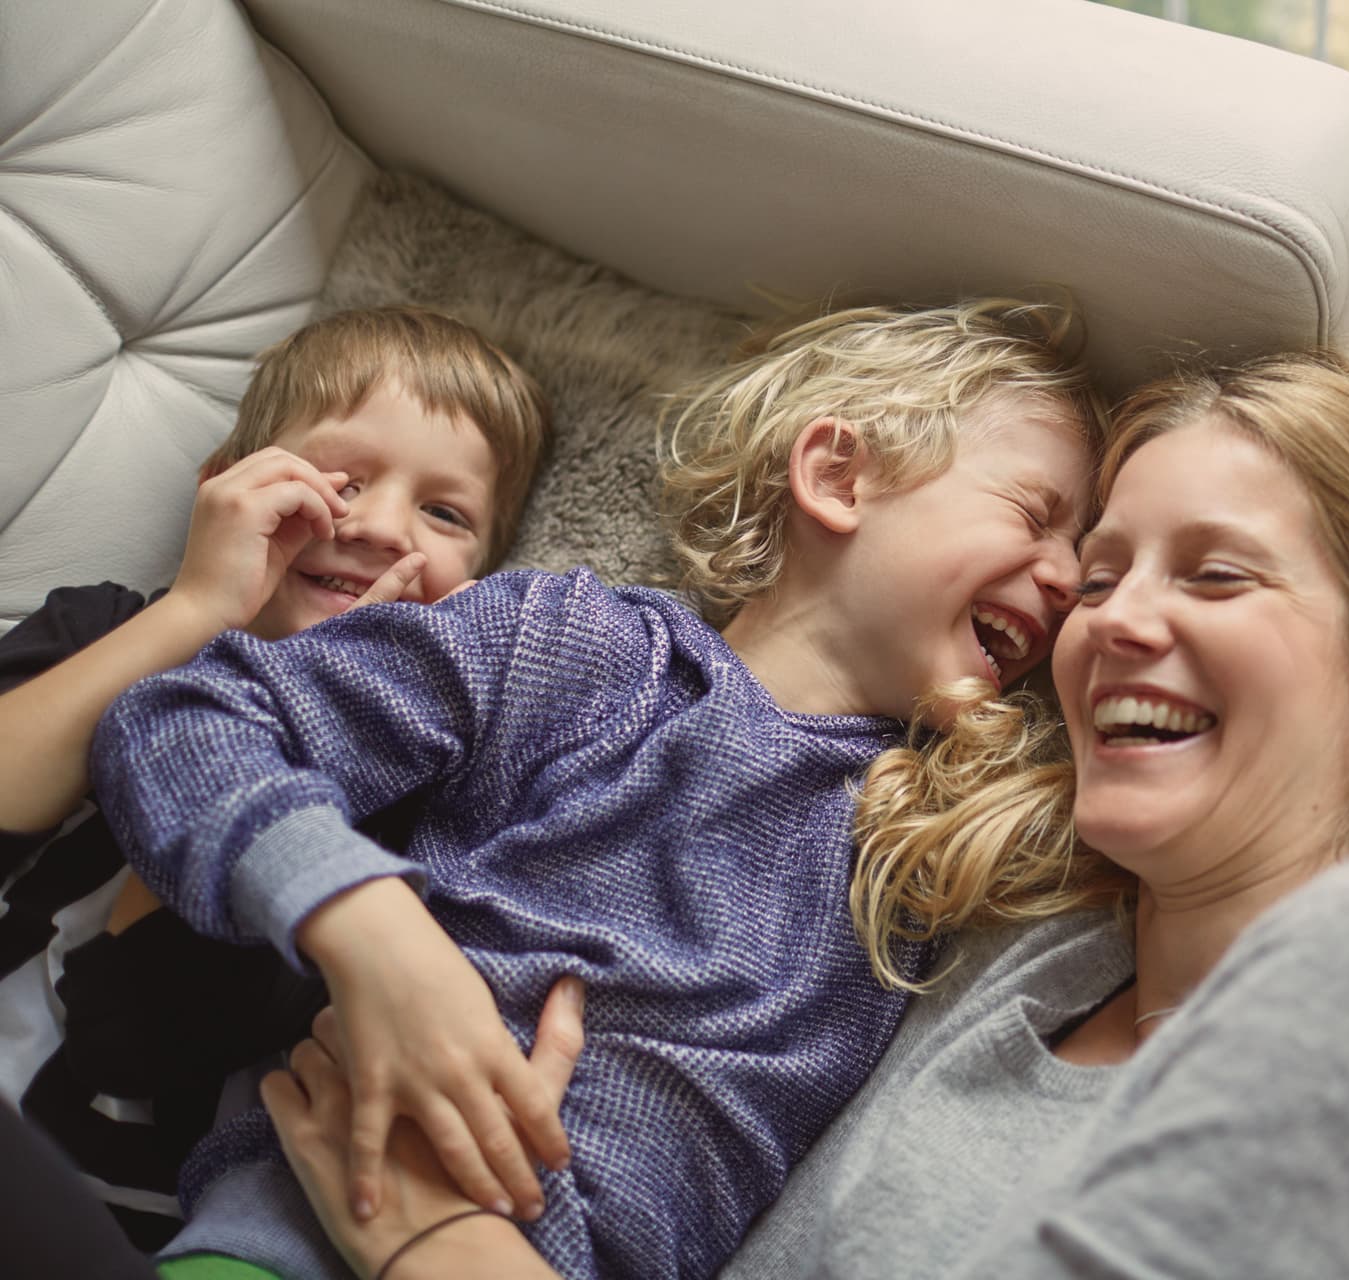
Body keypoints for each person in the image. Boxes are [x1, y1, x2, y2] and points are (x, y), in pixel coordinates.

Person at [265, 350, 1349, 1279]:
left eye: (1218, 576)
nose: (1110, 620)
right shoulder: (983, 961)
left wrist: (449, 1249)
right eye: (1097, 578)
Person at [87, 300, 1109, 1280]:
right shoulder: (576, 645)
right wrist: (368, 929)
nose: (1067, 581)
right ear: (838, 476)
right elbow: (180, 724)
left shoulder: (939, 838)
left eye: (1090, 566)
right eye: (1037, 515)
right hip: (305, 1229)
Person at [0, 304, 551, 1248]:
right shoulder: (108, 629)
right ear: (225, 486)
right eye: (340, 481)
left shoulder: (392, 819)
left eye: (445, 513)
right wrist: (196, 608)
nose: (380, 526)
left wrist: (335, 704)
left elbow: (126, 1037)